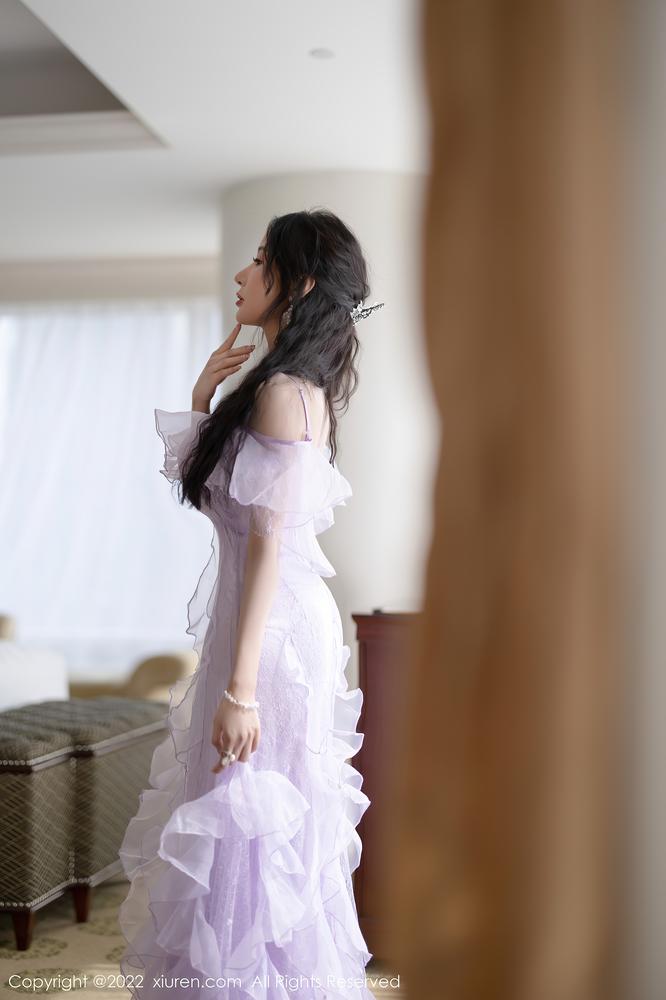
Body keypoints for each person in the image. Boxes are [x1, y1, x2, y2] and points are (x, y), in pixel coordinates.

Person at [118, 209, 382, 999]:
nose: (242, 273)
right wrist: (204, 393)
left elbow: (266, 542)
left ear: (299, 284)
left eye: (261, 260)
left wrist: (240, 690)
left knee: (250, 829)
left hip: (271, 639)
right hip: (261, 622)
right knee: (240, 826)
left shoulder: (284, 395)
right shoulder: (283, 389)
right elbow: (223, 507)